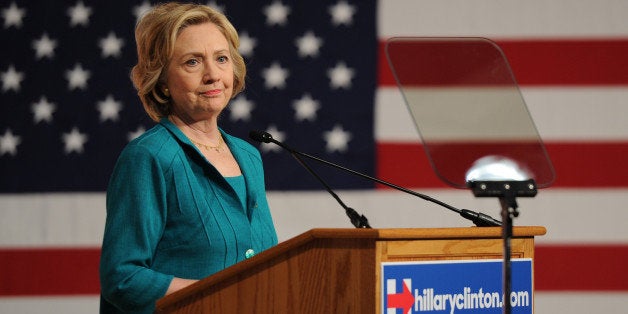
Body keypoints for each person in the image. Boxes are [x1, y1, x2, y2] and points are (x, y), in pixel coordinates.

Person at [99, 3, 278, 313]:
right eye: (192, 62)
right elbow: (123, 278)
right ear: (163, 80)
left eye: (221, 59)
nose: (212, 75)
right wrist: (222, 297)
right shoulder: (149, 157)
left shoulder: (249, 156)